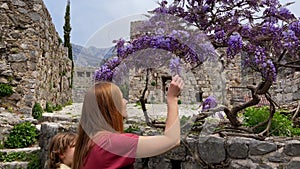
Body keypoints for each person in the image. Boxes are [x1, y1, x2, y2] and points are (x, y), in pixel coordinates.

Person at [72, 75, 184, 169]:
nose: (125, 101)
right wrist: (172, 98)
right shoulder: (111, 143)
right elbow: (172, 140)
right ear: (110, 107)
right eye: (121, 98)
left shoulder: (90, 140)